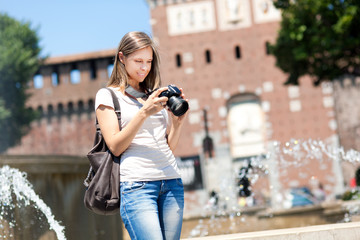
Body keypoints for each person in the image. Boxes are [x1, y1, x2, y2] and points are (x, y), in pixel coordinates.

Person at [94, 31, 188, 240]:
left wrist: (177, 123)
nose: (144, 68)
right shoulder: (107, 95)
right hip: (138, 186)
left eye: (148, 61)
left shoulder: (153, 96)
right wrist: (144, 112)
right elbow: (116, 146)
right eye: (138, 61)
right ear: (121, 58)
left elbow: (168, 148)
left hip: (171, 181)